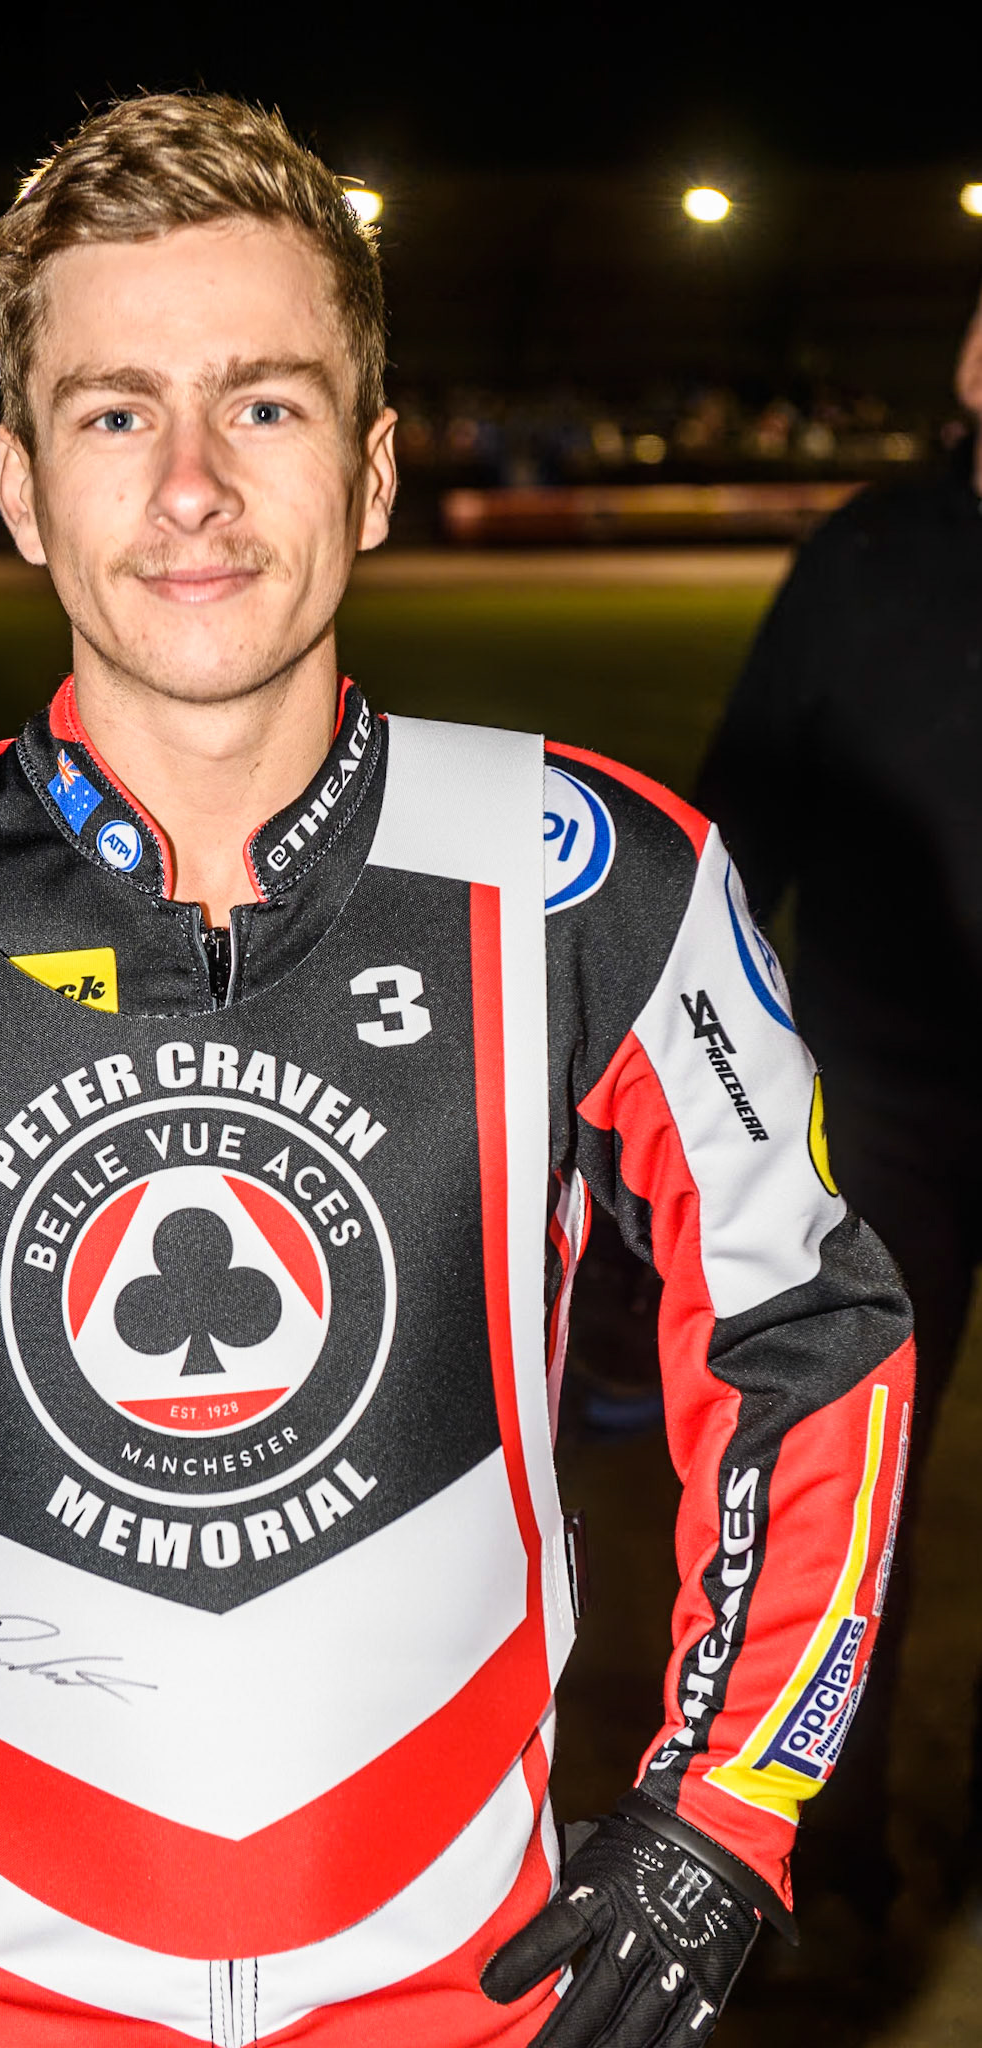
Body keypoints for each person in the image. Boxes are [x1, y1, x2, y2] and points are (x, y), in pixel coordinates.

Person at [0, 95, 913, 2048]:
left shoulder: (596, 875)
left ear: (375, 467)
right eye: (115, 412)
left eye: (271, 405)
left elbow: (809, 1331)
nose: (194, 487)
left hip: (466, 1987)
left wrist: (728, 1810)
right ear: (17, 486)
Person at [695, 299, 982, 1936]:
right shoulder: (867, 557)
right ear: (965, 367)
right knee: (855, 1495)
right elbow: (743, 819)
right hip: (884, 1110)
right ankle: (837, 1832)